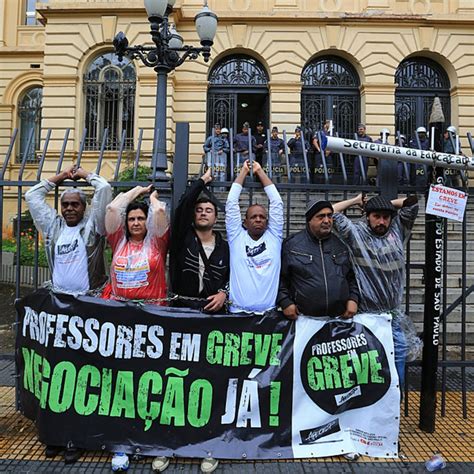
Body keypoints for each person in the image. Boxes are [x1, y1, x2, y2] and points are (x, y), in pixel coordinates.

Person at [25, 165, 112, 463]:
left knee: (84, 375)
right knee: (57, 376)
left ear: (84, 207)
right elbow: (32, 196)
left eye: (75, 204)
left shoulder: (93, 226)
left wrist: (85, 175)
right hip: (58, 311)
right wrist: (59, 179)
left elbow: (104, 190)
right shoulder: (53, 227)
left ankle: (76, 436)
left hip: (88, 309)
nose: (70, 208)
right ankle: (57, 434)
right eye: (66, 204)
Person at [332, 193, 419, 388]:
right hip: (365, 319)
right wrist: (356, 201)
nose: (381, 221)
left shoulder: (398, 230)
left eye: (386, 217)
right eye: (376, 216)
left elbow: (412, 202)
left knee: (396, 376)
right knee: (365, 374)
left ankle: (392, 415)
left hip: (392, 319)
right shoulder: (356, 234)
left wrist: (382, 203)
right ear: (367, 216)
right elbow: (330, 211)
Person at [278, 200, 359, 319]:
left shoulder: (341, 245)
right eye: (321, 216)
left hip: (339, 320)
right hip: (303, 320)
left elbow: (352, 277)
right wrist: (285, 302)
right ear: (309, 220)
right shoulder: (292, 245)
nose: (327, 220)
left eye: (329, 216)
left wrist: (353, 299)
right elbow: (280, 279)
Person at [225, 160, 283, 313]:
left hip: (268, 316)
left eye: (262, 217)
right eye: (253, 217)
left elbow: (277, 202)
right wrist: (243, 172)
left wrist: (259, 171)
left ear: (267, 221)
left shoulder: (274, 237)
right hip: (237, 314)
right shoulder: (236, 237)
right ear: (245, 222)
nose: (258, 219)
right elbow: (231, 203)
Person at [169, 168, 229, 312]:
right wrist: (202, 181)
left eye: (208, 211)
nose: (203, 213)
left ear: (216, 219)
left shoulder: (225, 247)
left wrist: (224, 294)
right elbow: (184, 205)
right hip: (182, 309)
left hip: (214, 312)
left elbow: (234, 276)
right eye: (199, 210)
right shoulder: (182, 238)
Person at [102, 185, 169, 304]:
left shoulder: (157, 243)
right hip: (119, 309)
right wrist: (138, 190)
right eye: (131, 219)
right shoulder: (118, 241)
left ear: (148, 221)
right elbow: (113, 208)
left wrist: (153, 198)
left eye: (141, 218)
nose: (136, 223)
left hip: (151, 311)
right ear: (126, 222)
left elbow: (160, 211)